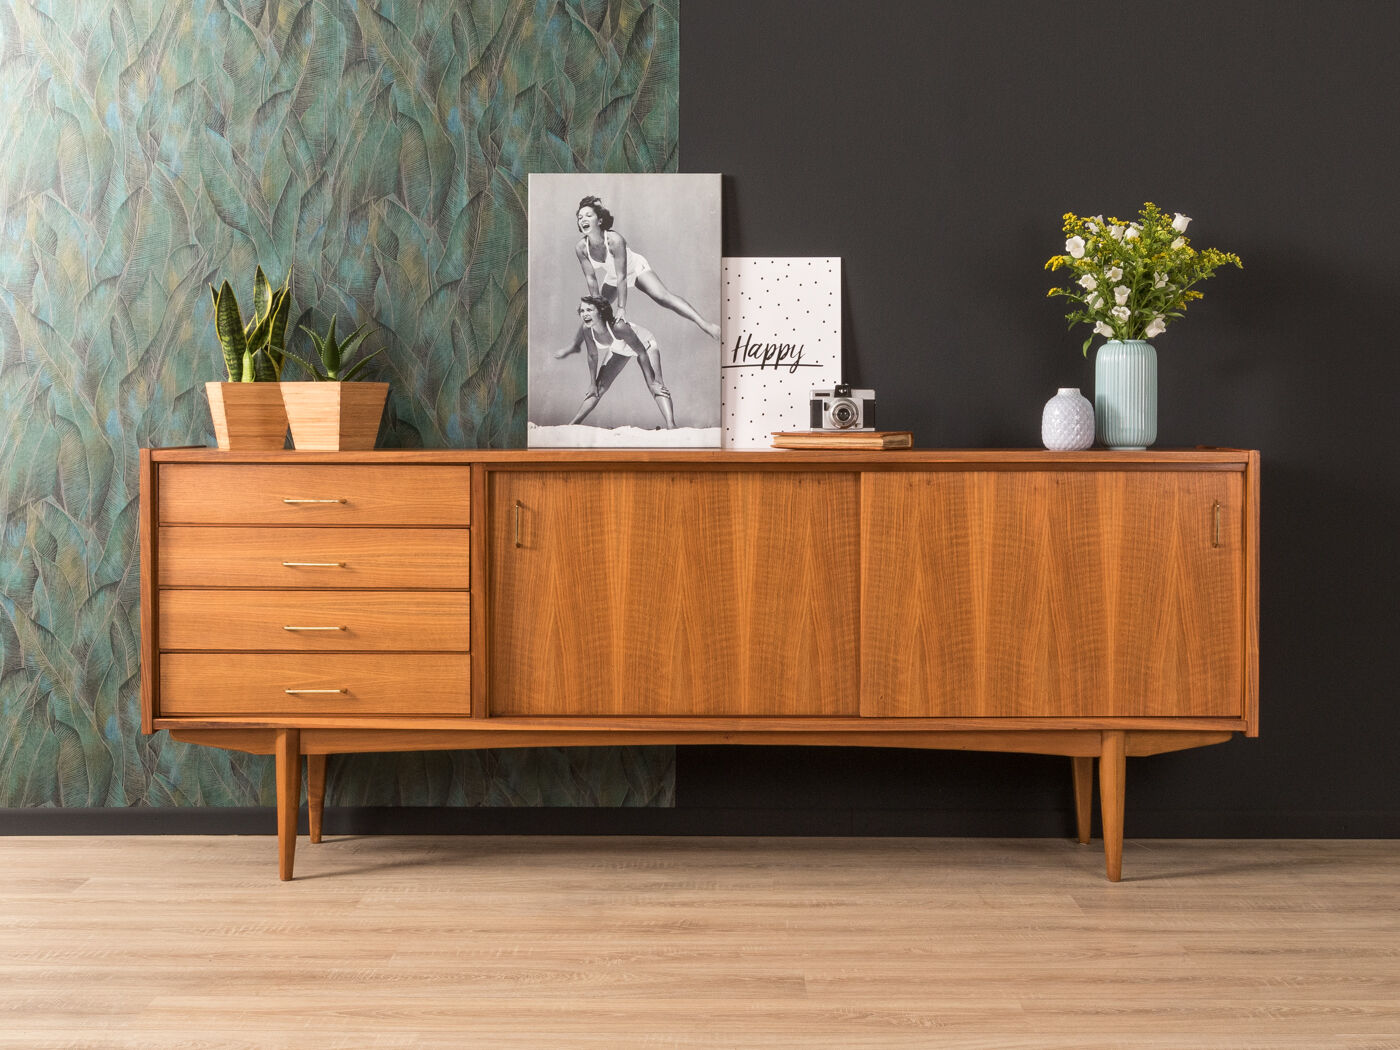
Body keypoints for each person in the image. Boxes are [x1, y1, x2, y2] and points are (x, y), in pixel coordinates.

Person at [574, 195, 722, 341]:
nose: (583, 219)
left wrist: (621, 308)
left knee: (662, 297)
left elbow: (622, 277)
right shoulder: (581, 248)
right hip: (613, 276)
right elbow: (591, 279)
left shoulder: (615, 240)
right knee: (594, 312)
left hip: (635, 268)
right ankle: (577, 345)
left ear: (599, 221)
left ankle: (705, 324)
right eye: (580, 217)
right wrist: (597, 305)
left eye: (588, 215)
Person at [555, 296, 676, 428]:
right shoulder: (587, 329)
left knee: (656, 385)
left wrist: (652, 382)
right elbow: (592, 355)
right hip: (620, 348)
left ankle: (671, 426)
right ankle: (572, 425)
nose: (585, 314)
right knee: (598, 388)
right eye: (582, 310)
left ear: (600, 311)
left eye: (589, 310)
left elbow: (641, 352)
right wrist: (592, 383)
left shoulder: (618, 326)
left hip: (644, 344)